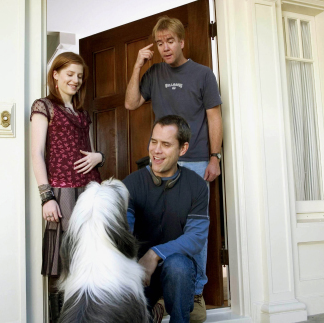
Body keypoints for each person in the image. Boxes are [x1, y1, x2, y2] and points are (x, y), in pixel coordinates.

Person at [125, 15, 222, 321]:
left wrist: (215, 156)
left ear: (181, 41)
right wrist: (138, 65)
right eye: (160, 42)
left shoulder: (203, 74)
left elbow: (214, 116)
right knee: (157, 221)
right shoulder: (153, 73)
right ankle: (157, 295)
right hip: (160, 161)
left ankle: (194, 294)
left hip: (193, 159)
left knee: (193, 229)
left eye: (170, 41)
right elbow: (130, 103)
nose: (165, 48)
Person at [30, 52, 104, 322]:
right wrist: (46, 197)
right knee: (63, 263)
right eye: (70, 74)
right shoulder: (44, 106)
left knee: (90, 257)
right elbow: (36, 153)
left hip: (90, 190)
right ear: (56, 75)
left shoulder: (82, 113)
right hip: (62, 192)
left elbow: (91, 151)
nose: (75, 80)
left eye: (80, 76)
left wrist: (100, 157)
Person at [123, 115, 209, 323]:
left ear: (183, 149)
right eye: (154, 142)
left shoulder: (196, 186)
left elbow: (196, 237)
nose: (156, 150)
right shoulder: (131, 184)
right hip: (141, 274)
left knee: (178, 265)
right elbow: (124, 231)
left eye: (166, 144)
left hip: (177, 273)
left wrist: (155, 254)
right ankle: (153, 309)